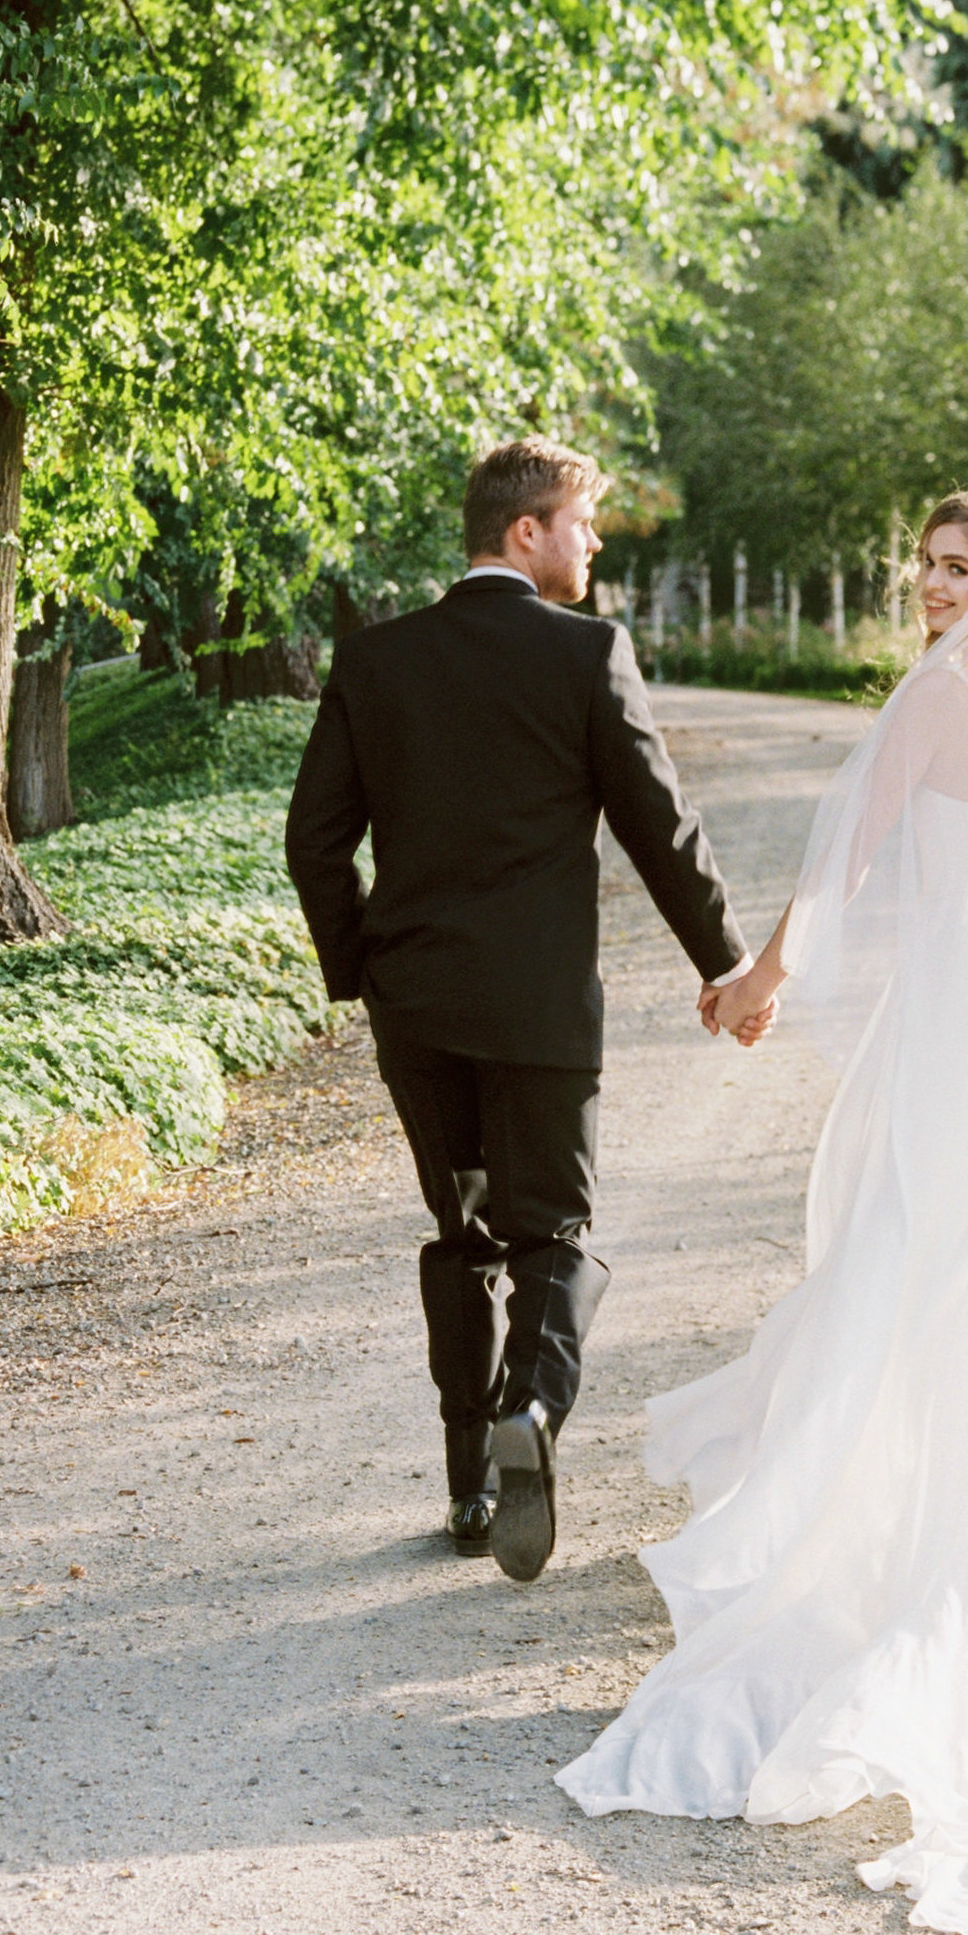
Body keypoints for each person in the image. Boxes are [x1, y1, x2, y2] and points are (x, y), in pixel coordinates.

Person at [557, 487, 968, 1935]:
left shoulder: (939, 696)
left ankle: (933, 1538)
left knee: (917, 1273)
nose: (928, 585)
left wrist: (762, 981)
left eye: (955, 565)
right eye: (922, 561)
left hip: (958, 1039)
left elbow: (841, 866)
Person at [285, 441, 756, 1581]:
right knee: (552, 1230)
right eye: (580, 522)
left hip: (417, 1005)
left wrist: (363, 972)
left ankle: (465, 1483)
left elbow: (314, 842)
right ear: (525, 533)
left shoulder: (377, 658)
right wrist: (727, 966)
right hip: (541, 1008)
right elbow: (661, 827)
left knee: (463, 1233)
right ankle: (531, 1415)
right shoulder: (586, 653)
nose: (593, 542)